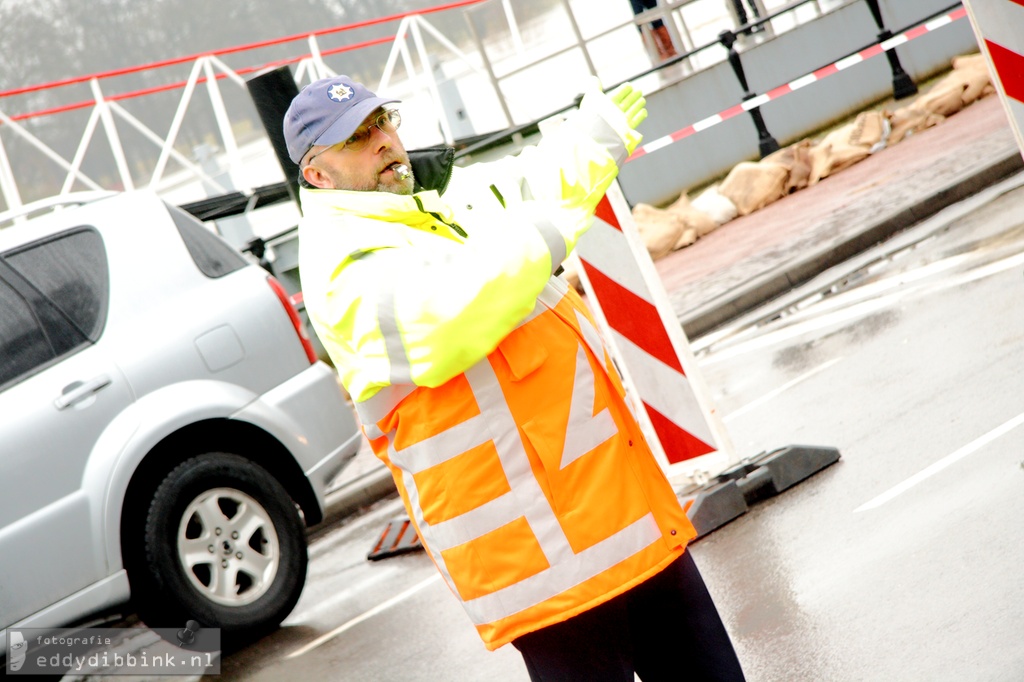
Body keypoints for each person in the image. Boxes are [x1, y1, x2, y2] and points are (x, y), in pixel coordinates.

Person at [284, 74, 745, 681]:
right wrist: (549, 231)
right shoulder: (343, 264)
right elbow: (453, 313)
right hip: (544, 564)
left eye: (383, 123)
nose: (383, 142)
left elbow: (526, 183)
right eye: (357, 139)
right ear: (318, 173)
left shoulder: (427, 208)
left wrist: (592, 138)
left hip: (619, 517)